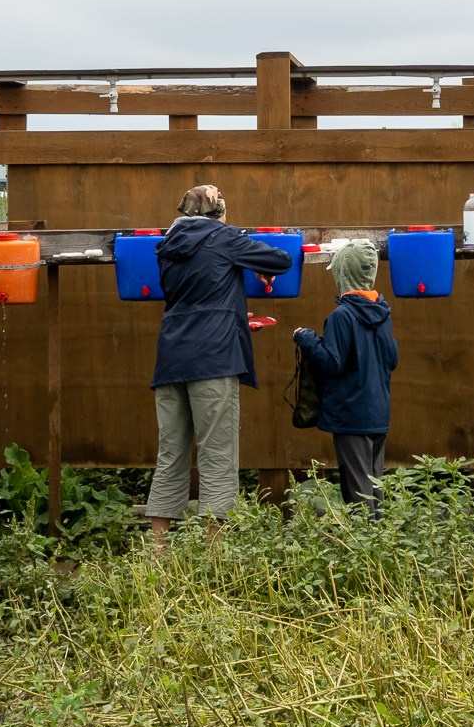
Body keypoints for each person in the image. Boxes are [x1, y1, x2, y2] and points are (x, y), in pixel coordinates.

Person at [145, 184, 293, 542]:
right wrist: (254, 264)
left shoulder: (166, 246)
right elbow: (281, 260)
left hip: (171, 358)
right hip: (213, 358)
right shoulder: (225, 237)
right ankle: (215, 556)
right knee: (217, 455)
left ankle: (158, 555)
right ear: (219, 214)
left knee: (170, 454)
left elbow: (201, 287)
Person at [293, 239, 399, 510]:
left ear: (344, 274)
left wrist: (307, 339)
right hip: (378, 414)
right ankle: (380, 543)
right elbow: (392, 359)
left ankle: (364, 545)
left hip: (351, 416)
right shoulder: (383, 314)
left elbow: (331, 363)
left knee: (358, 492)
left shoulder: (342, 316)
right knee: (374, 487)